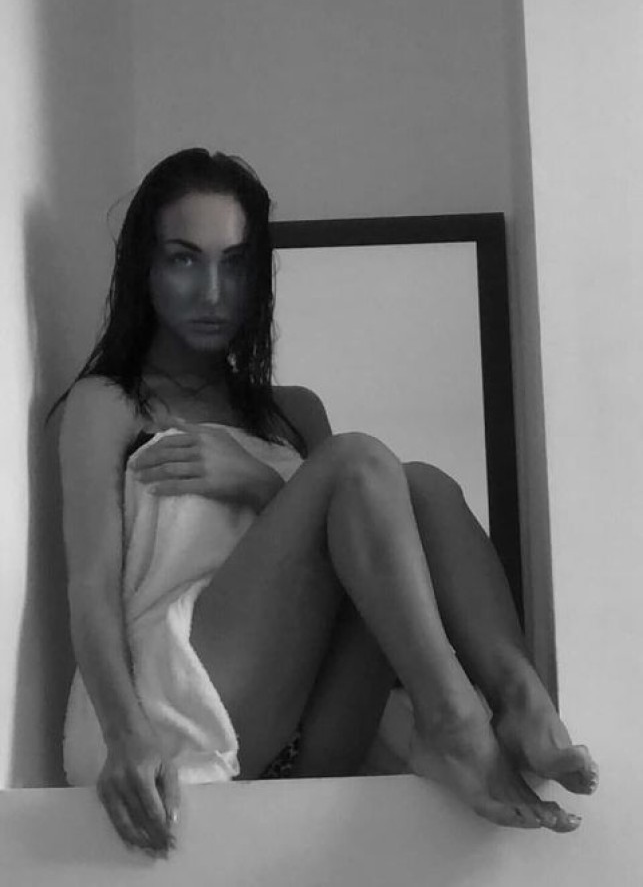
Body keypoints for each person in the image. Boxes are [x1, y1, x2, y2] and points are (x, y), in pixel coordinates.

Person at [54, 148, 598, 859]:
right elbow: (90, 588)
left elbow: (354, 555)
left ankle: (520, 700)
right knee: (358, 461)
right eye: (184, 259)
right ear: (144, 269)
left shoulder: (294, 411)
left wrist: (259, 481)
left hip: (299, 729)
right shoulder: (110, 403)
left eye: (236, 263)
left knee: (422, 487)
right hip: (165, 707)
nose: (213, 291)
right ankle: (454, 722)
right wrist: (127, 736)